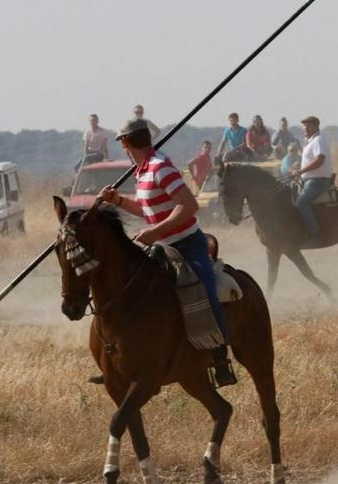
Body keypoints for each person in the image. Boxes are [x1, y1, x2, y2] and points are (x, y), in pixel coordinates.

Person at [99, 118, 237, 387]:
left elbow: (188, 205)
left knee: (205, 293)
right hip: (162, 248)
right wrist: (117, 201)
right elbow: (147, 210)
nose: (123, 149)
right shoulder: (143, 170)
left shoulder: (161, 168)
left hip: (187, 244)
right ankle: (125, 360)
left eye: (122, 144)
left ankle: (220, 358)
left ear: (125, 142)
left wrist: (153, 232)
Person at [291, 116, 333, 238]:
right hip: (311, 179)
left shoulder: (319, 140)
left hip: (317, 181)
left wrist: (301, 171)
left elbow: (320, 160)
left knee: (301, 203)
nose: (305, 129)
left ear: (316, 126)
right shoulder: (312, 141)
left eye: (308, 126)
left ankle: (315, 232)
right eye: (304, 127)